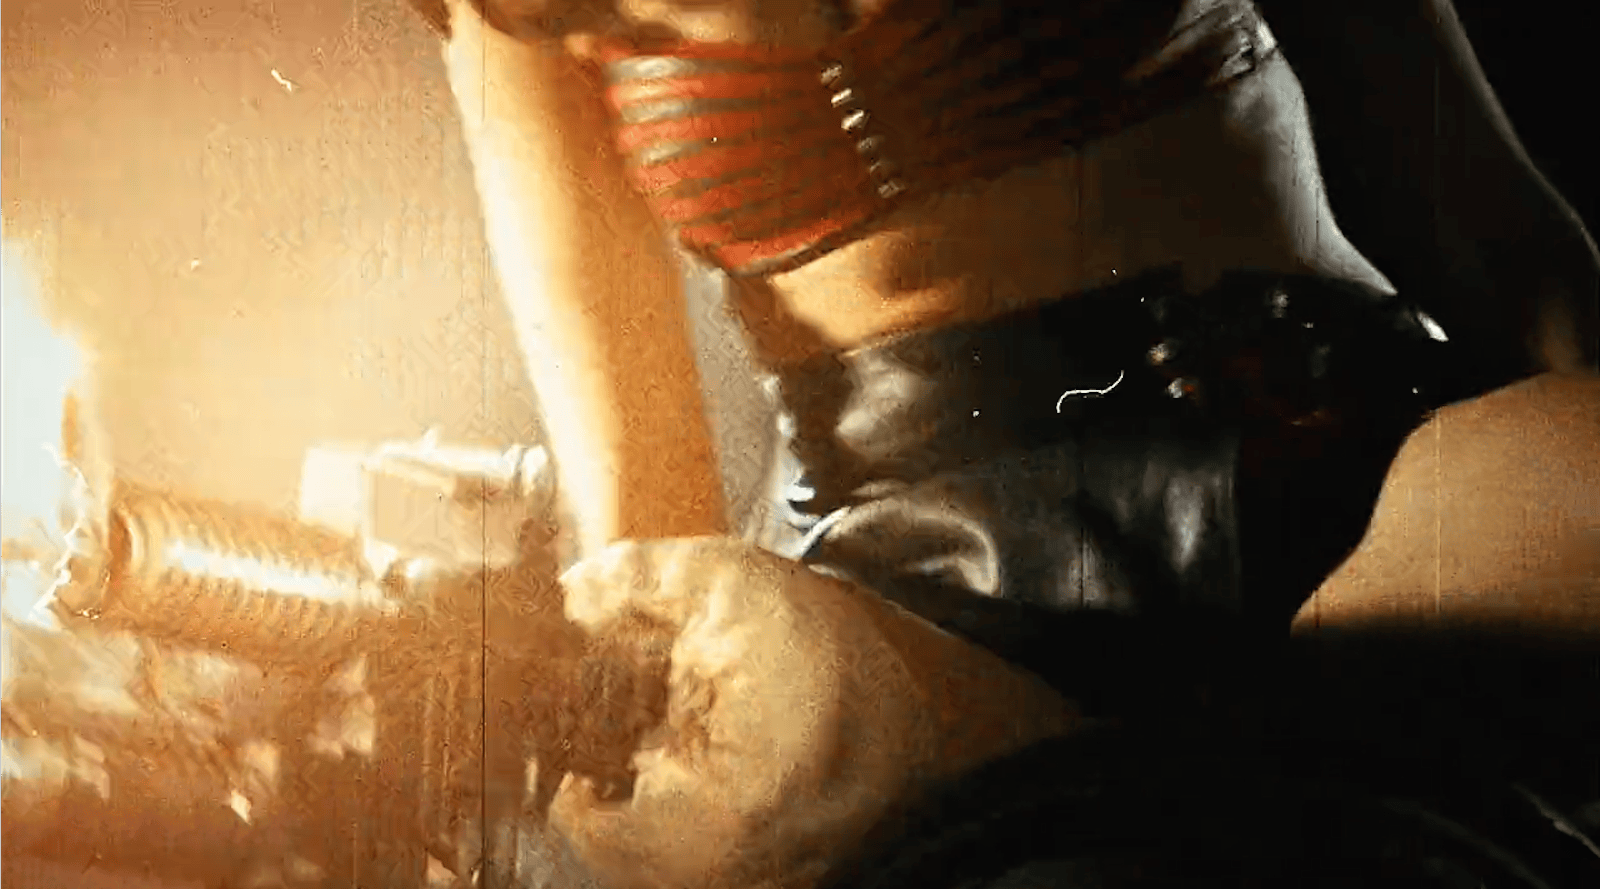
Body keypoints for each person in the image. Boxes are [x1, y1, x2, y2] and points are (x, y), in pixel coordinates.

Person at [423, 0, 1599, 886]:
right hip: (934, 600)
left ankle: (1161, 764)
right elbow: (641, 508)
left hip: (1344, 447)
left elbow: (1491, 226)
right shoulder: (509, 16)